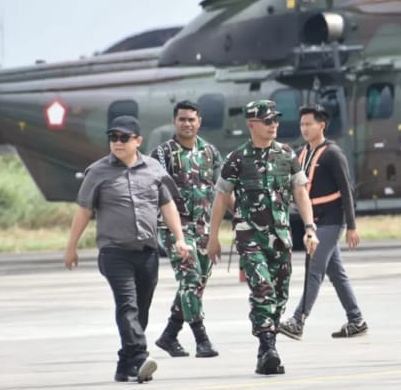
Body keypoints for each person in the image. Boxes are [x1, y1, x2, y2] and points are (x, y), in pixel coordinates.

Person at [64, 115, 189, 383]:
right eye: (113, 138)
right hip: (114, 252)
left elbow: (167, 206)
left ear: (138, 141)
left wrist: (179, 238)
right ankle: (141, 357)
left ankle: (125, 364)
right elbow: (84, 211)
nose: (117, 143)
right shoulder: (97, 172)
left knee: (140, 310)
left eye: (124, 138)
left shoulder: (154, 169)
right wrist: (71, 247)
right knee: (127, 305)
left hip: (147, 252)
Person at [206, 99, 319, 375]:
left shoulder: (287, 155)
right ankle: (268, 346)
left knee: (280, 295)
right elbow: (221, 198)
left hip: (281, 237)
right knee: (262, 289)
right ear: (251, 124)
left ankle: (265, 347)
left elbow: (301, 192)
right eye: (268, 121)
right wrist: (213, 237)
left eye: (276, 120)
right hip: (250, 236)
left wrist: (310, 227)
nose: (274, 125)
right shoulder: (237, 159)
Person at [278, 104, 367, 340]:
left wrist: (351, 226)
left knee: (313, 268)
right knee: (336, 273)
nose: (305, 128)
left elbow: (347, 191)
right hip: (314, 221)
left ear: (322, 125)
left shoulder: (333, 154)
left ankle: (298, 321)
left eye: (309, 124)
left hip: (331, 220)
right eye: (302, 124)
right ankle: (356, 319)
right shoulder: (302, 153)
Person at [150, 100, 223, 359]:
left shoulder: (210, 152)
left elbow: (222, 190)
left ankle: (169, 335)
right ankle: (201, 339)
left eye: (191, 119)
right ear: (174, 122)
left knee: (196, 285)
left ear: (199, 121)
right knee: (190, 280)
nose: (187, 123)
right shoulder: (163, 153)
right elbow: (154, 190)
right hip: (175, 229)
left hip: (204, 229)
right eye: (182, 119)